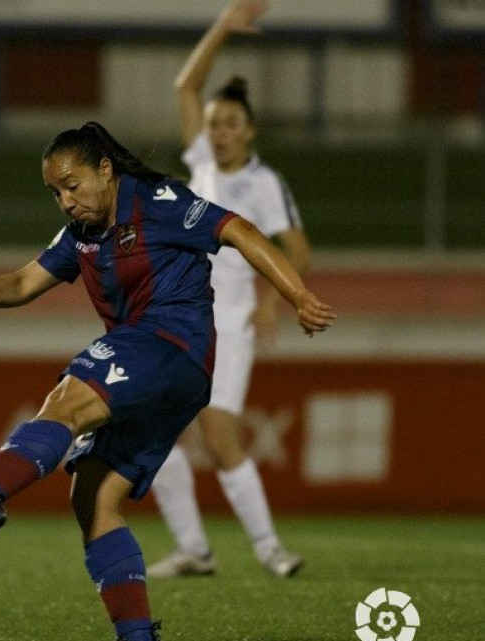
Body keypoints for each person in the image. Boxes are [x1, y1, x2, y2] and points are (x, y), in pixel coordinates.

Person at [0, 121, 333, 641]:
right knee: (94, 498)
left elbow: (240, 231)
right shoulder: (80, 233)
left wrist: (297, 295)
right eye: (55, 191)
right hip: (176, 371)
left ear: (104, 169)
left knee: (67, 399)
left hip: (170, 343)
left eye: (72, 184)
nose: (65, 200)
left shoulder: (159, 200)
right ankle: (137, 636)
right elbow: (20, 284)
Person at [147, 0, 310, 580]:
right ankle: (194, 548)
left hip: (232, 319)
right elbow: (185, 85)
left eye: (230, 124)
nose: (217, 132)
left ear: (250, 131)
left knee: (219, 436)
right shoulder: (205, 172)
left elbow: (298, 250)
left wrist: (272, 301)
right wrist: (221, 27)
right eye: (213, 123)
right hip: (181, 317)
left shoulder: (264, 183)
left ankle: (270, 549)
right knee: (151, 434)